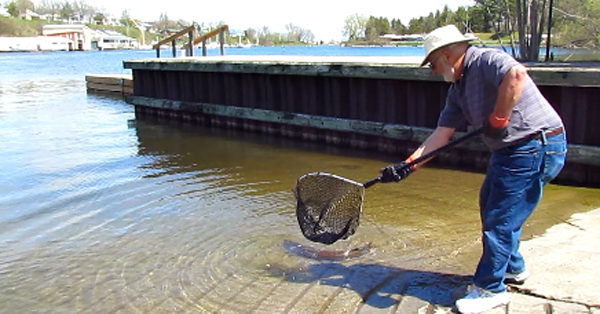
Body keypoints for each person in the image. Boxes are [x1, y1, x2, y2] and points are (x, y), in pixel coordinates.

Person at [379, 24, 567, 314]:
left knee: (500, 218)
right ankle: (512, 269)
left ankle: (490, 289)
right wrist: (406, 166)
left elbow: (517, 75)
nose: (431, 70)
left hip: (536, 145)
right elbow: (440, 136)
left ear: (448, 53)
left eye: (432, 62)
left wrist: (500, 117)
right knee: (490, 205)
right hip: (510, 151)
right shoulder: (458, 89)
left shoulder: (485, 59)